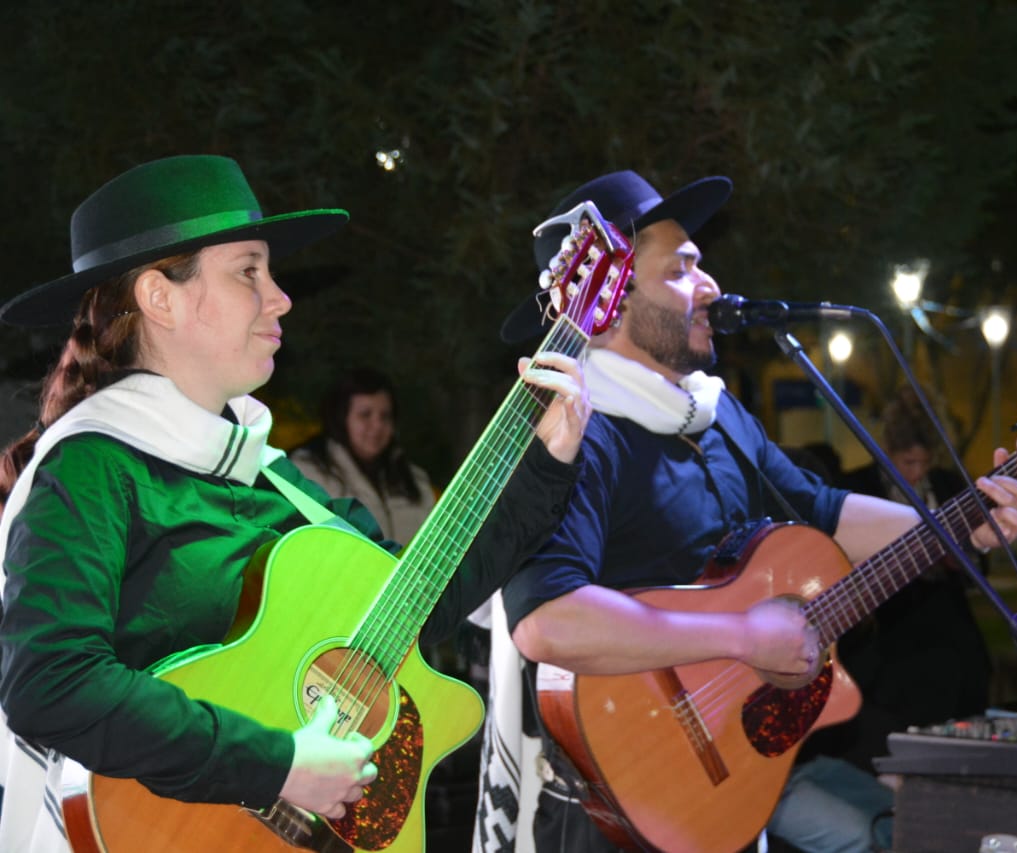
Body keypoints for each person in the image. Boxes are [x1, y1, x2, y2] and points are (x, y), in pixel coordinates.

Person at [0, 154, 590, 852]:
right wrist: (278, 762)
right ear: (162, 297)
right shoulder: (92, 466)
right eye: (249, 271)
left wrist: (544, 463)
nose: (279, 298)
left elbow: (410, 605)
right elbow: (51, 680)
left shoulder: (262, 467)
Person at [490, 169, 1017, 853]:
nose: (710, 286)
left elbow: (823, 512)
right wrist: (742, 636)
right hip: (614, 821)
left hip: (723, 795)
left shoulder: (714, 416)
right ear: (611, 297)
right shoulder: (570, 434)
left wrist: (966, 523)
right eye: (683, 268)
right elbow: (547, 621)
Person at [813, 386, 994, 774]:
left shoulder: (948, 486)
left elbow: (981, 565)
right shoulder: (858, 487)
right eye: (907, 462)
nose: (916, 472)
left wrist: (962, 558)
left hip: (950, 635)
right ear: (888, 454)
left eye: (923, 463)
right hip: (888, 644)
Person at [291, 367, 436, 542]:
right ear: (341, 418)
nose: (377, 426)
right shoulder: (308, 472)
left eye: (385, 416)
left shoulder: (414, 480)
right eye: (365, 415)